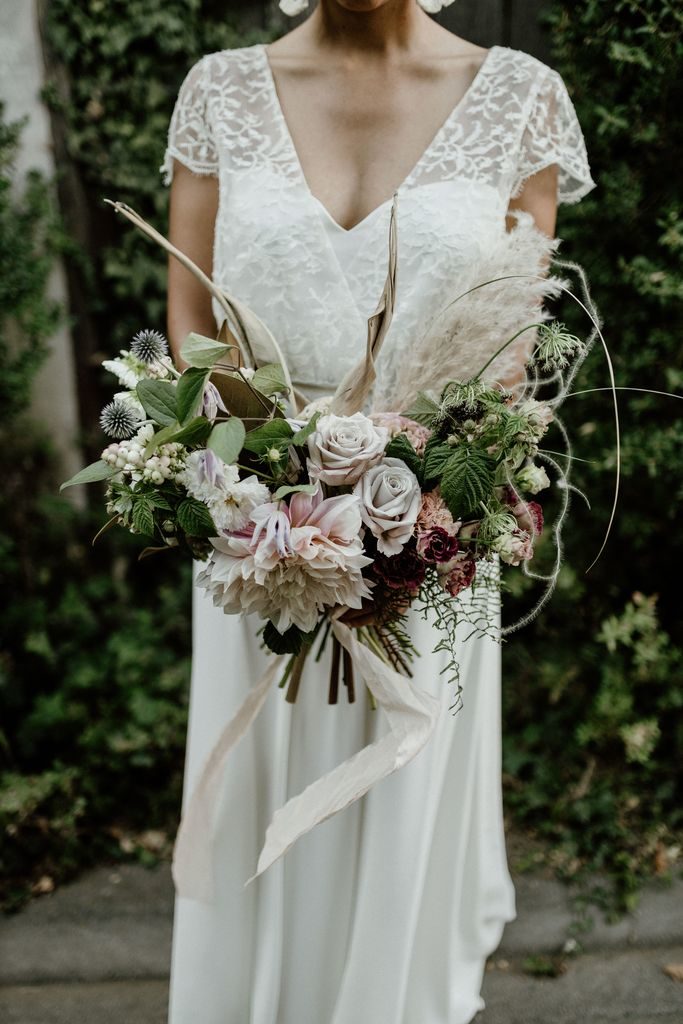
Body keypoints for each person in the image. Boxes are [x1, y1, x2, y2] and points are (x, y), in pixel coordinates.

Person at [161, 1, 596, 1020]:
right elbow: (187, 311)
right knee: (268, 783)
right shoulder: (220, 90)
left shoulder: (520, 101)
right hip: (256, 532)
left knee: (400, 796)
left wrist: (419, 492)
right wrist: (261, 481)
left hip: (428, 527)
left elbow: (511, 346)